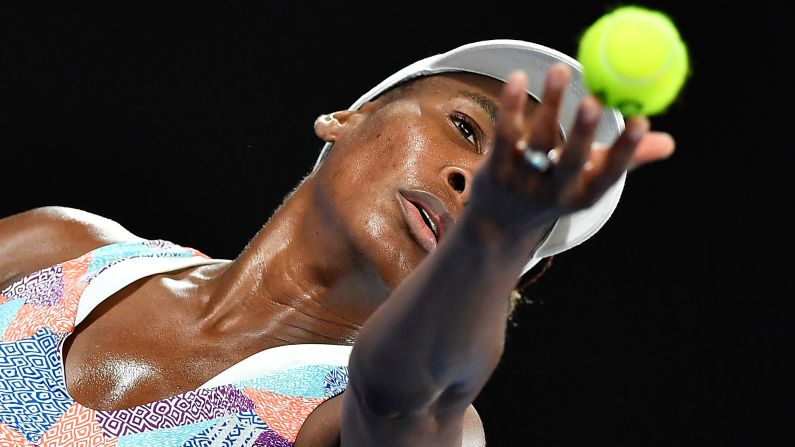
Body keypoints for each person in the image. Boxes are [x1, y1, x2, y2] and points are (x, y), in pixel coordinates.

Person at [0, 40, 674, 446]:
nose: (473, 182)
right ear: (346, 118)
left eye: (521, 187)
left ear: (510, 277)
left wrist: (479, 256)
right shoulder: (58, 248)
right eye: (467, 129)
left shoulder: (371, 420)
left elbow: (404, 394)